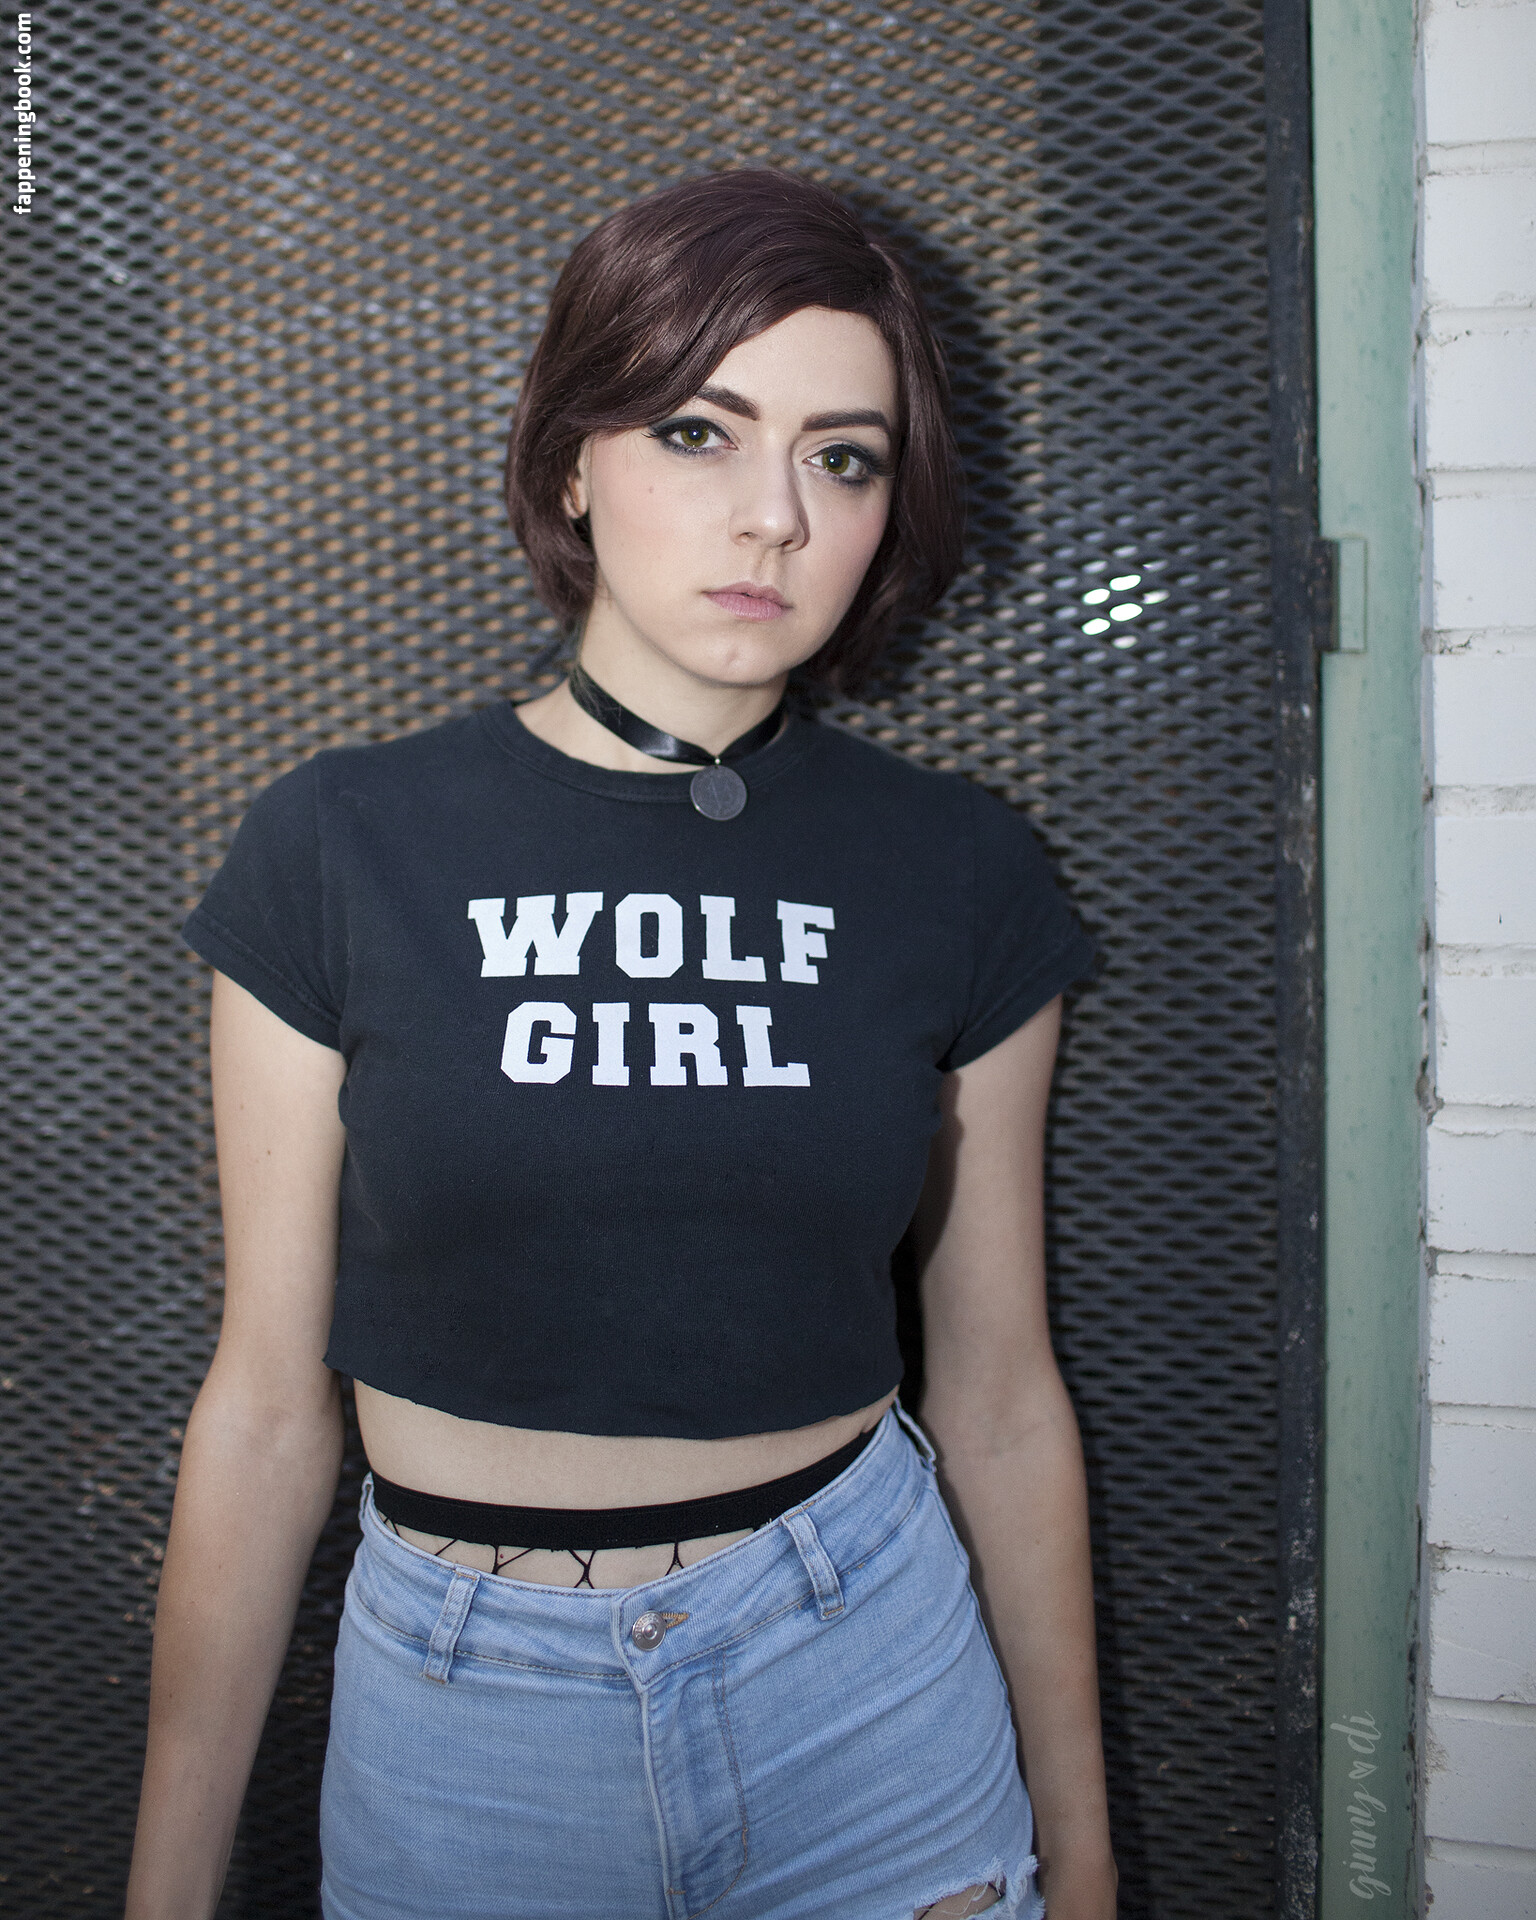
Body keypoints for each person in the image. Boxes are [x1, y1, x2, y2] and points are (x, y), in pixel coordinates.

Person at [126, 169, 1117, 1920]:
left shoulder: (958, 869)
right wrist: (166, 1888)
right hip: (463, 1708)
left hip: (865, 1672)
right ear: (572, 460)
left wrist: (1082, 1853)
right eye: (697, 432)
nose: (774, 519)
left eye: (843, 457)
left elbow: (1001, 1394)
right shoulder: (344, 847)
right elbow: (269, 1408)